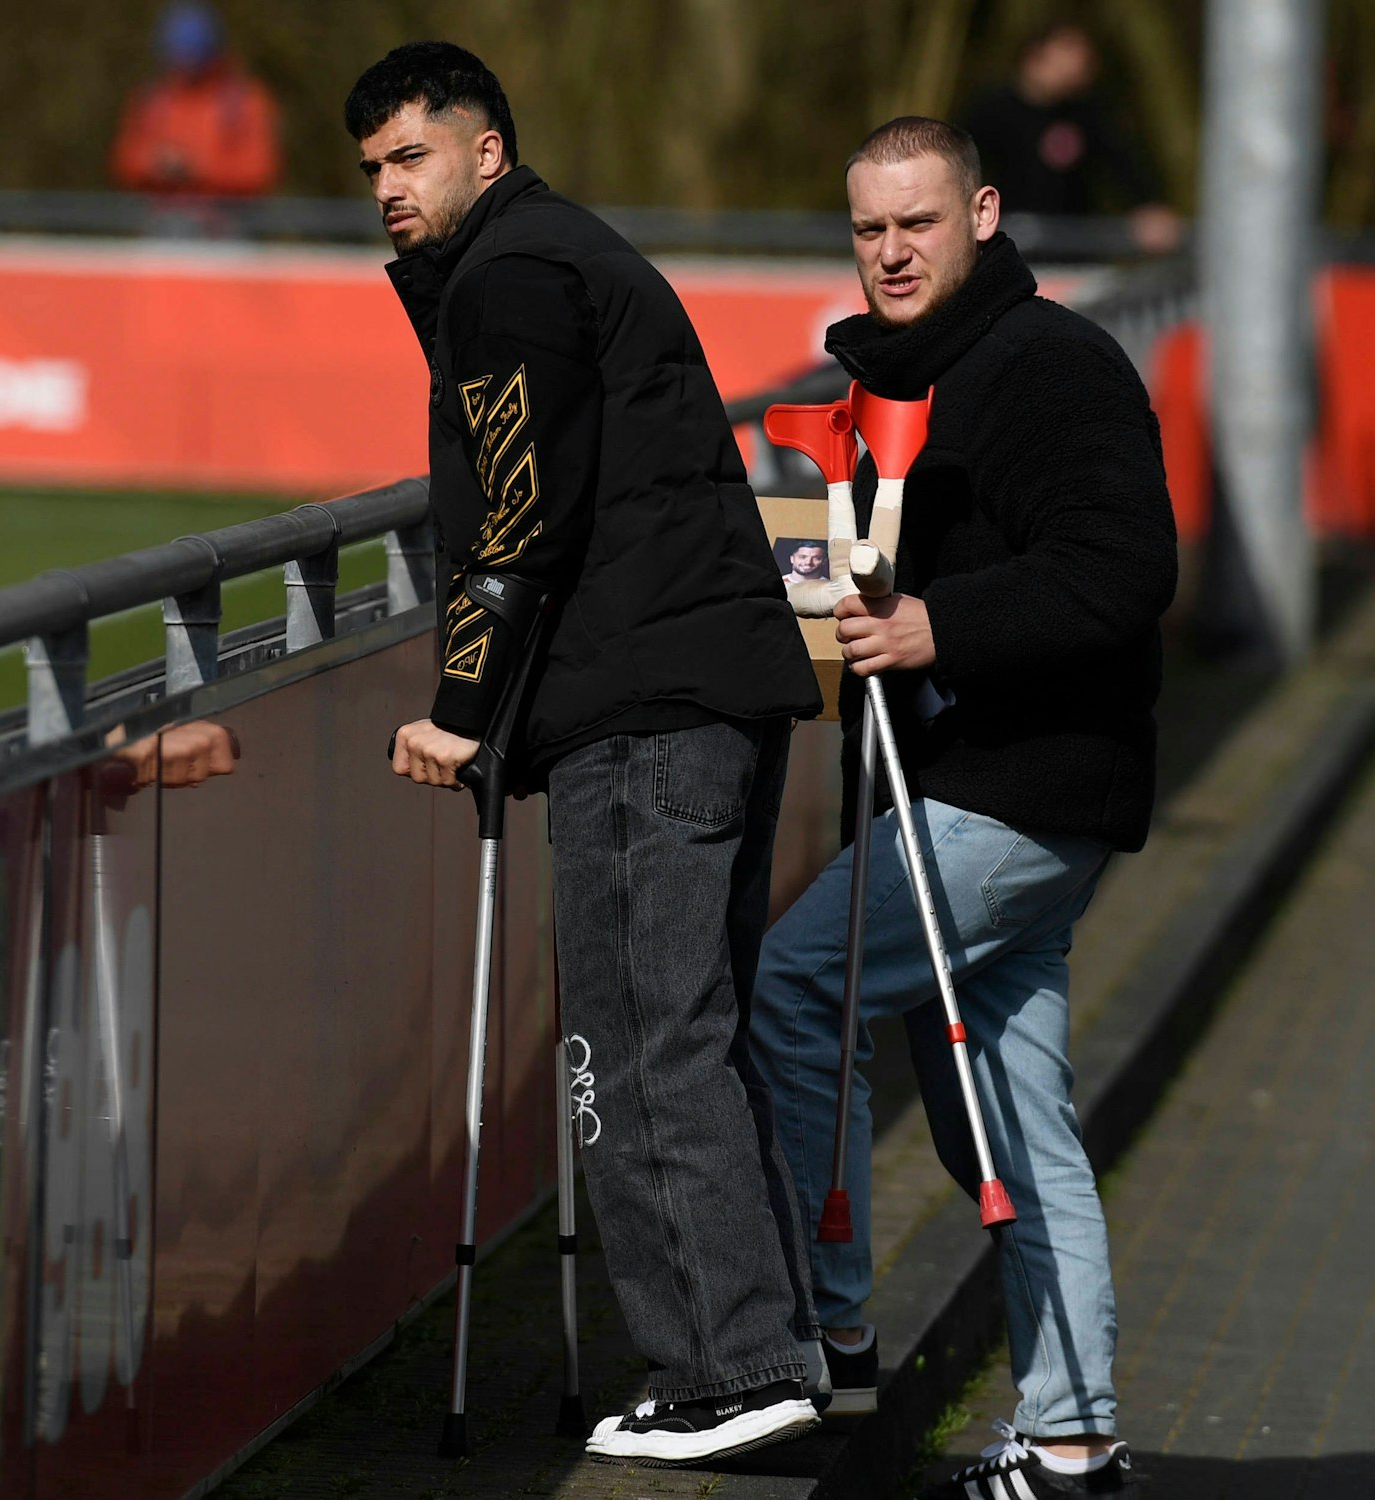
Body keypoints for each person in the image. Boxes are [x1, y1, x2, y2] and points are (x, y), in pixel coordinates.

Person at [348, 41, 828, 1468]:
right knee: (691, 1032)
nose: (386, 187)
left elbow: (516, 517)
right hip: (698, 690)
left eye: (410, 157)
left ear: (485, 151)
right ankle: (764, 1354)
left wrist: (460, 710)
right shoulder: (556, 255)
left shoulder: (510, 280)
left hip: (645, 708)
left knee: (634, 1041)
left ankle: (732, 1370)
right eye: (371, 167)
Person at [749, 116, 1176, 1498]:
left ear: (985, 214)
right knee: (1009, 1132)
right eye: (869, 228)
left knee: (798, 987)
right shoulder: (910, 377)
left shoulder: (1050, 365)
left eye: (917, 224)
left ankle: (827, 1329)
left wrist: (939, 626)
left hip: (1019, 795)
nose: (889, 251)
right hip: (1000, 793)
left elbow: (1124, 572)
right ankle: (1072, 1441)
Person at [958, 20, 1181, 255]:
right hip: (1007, 250)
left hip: (1076, 251)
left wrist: (1147, 207)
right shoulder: (990, 110)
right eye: (1070, 50)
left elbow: (1124, 164)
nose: (1081, 62)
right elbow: (961, 169)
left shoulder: (1089, 114)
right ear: (1037, 54)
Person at [111, 1, 282, 198]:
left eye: (194, 58)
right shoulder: (151, 98)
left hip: (228, 220)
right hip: (163, 219)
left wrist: (196, 169)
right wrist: (154, 165)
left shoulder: (244, 100)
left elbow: (259, 171)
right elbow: (125, 162)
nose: (185, 68)